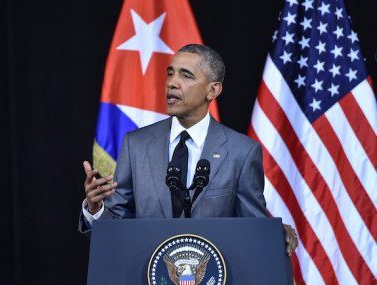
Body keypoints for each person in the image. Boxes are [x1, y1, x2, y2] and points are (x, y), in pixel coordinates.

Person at [79, 44, 298, 256]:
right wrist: (95, 209)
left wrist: (275, 234)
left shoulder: (241, 152)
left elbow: (252, 227)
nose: (172, 83)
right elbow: (117, 228)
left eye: (186, 76)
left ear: (212, 90)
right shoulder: (136, 144)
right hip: (148, 282)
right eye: (170, 73)